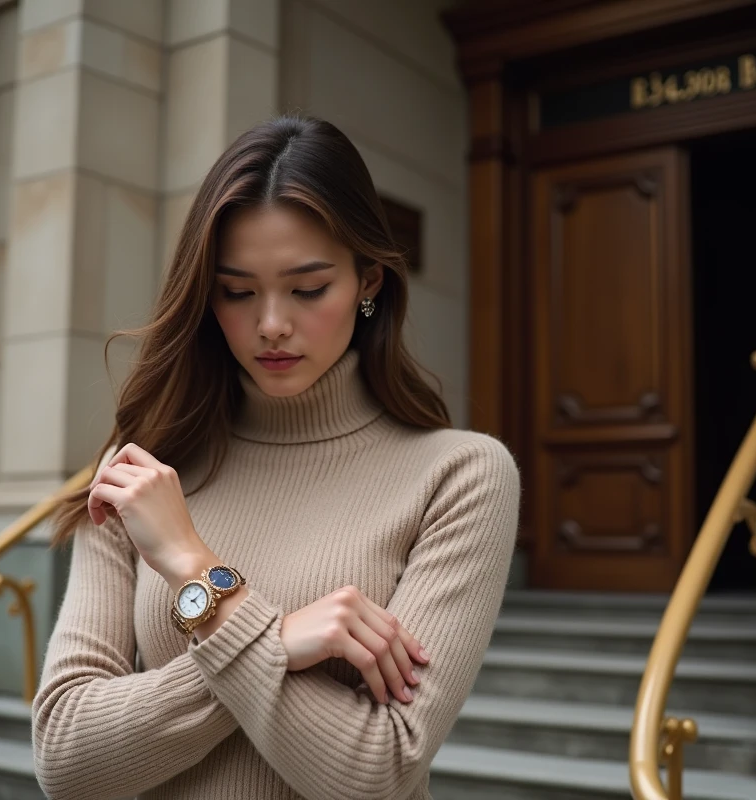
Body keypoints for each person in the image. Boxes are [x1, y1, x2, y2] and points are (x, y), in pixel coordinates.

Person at [31, 115, 521, 800]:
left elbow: (377, 769)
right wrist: (278, 640)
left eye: (308, 288)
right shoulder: (142, 472)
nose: (270, 324)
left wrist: (200, 575)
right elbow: (65, 758)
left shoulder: (459, 477)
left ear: (369, 282)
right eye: (237, 291)